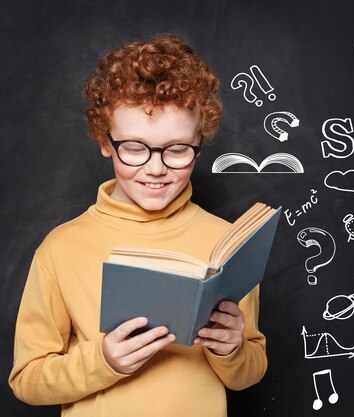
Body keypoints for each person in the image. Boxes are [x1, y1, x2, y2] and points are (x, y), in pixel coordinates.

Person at [8, 33, 267, 417]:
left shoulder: (226, 243)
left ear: (200, 141)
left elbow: (249, 373)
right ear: (105, 141)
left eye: (178, 149)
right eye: (134, 147)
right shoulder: (61, 247)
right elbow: (26, 380)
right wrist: (103, 361)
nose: (156, 167)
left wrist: (232, 350)